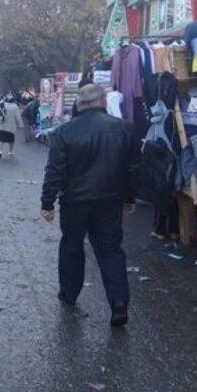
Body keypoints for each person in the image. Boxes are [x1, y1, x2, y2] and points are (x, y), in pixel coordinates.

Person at [40, 84, 140, 327]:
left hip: (74, 202)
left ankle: (69, 294)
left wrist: (47, 202)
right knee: (110, 252)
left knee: (72, 248)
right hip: (110, 201)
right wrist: (130, 198)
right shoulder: (124, 129)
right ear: (103, 101)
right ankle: (118, 304)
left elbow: (55, 171)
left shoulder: (64, 132)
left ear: (79, 104)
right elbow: (134, 169)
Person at [0, 94, 21, 159]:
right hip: (10, 127)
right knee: (11, 140)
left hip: (0, 125)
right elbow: (18, 117)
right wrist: (21, 125)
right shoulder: (15, 106)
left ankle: (0, 151)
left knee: (1, 140)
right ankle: (10, 151)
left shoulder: (1, 104)